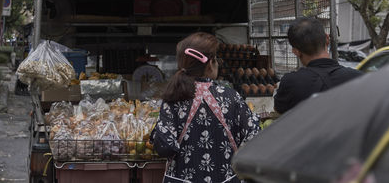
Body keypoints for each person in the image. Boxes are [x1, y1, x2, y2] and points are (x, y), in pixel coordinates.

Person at [151, 32, 260, 183]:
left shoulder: (174, 98)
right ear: (210, 64)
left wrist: (155, 134)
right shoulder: (230, 96)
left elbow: (164, 146)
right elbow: (254, 135)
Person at [274, 17, 363, 114]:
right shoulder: (358, 78)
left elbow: (278, 111)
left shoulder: (291, 82)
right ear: (327, 39)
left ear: (296, 51)